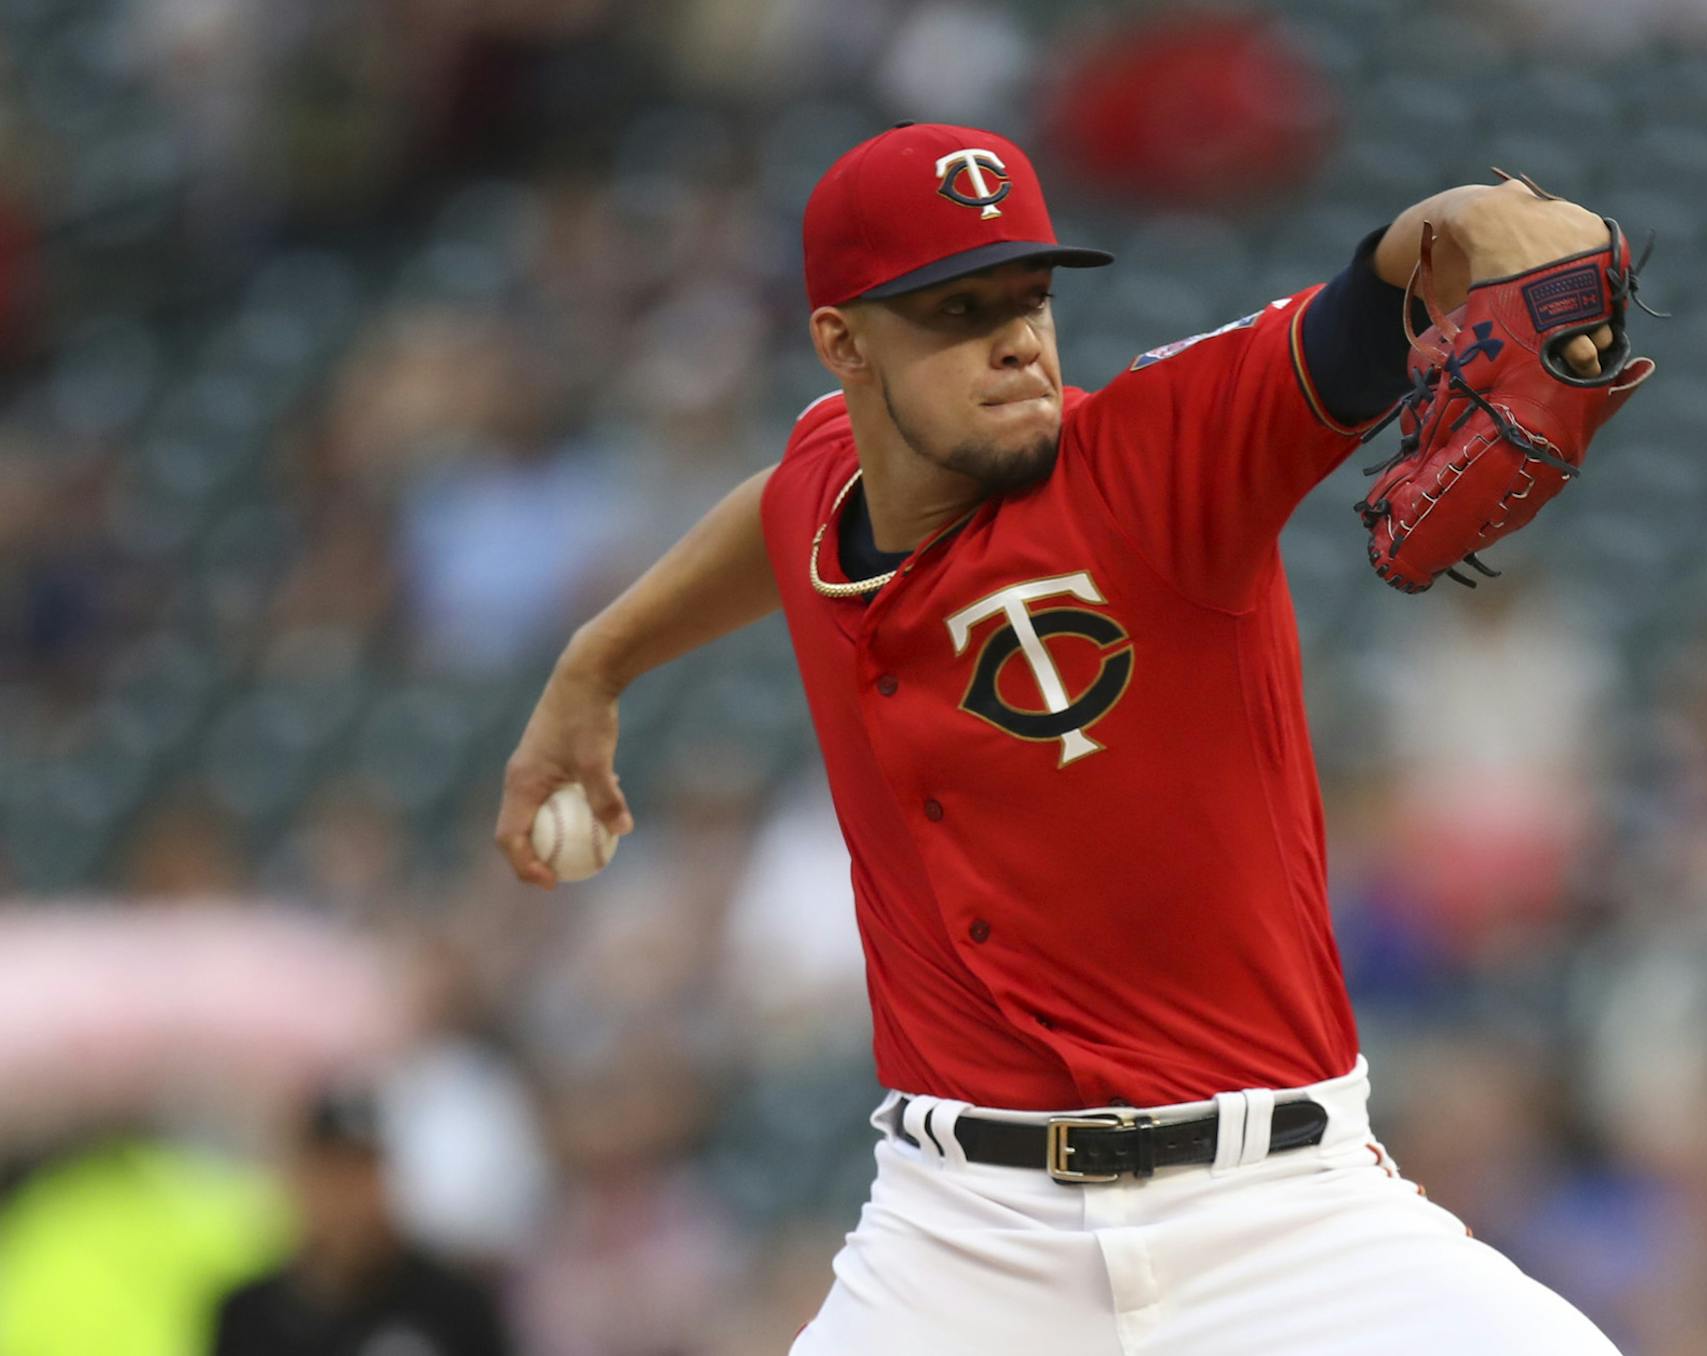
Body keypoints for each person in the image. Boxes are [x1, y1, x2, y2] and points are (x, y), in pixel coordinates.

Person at [497, 121, 1626, 1352]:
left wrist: (1500, 225)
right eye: (956, 308)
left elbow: (1390, 288)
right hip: (958, 1237)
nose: (1016, 341)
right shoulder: (830, 481)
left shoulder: (1155, 460)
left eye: (1029, 298)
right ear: (844, 346)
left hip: (1278, 1215)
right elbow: (778, 506)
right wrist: (591, 668)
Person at [210, 1085, 511, 1356]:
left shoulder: (455, 1307)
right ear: (300, 1178)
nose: (351, 1199)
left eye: (364, 1174)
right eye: (334, 1175)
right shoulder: (248, 1316)